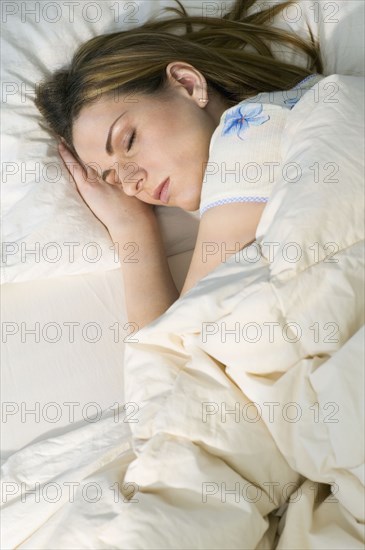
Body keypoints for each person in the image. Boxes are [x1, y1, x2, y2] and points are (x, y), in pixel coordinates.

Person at [35, 0, 323, 330]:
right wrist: (131, 225)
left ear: (188, 84)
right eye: (113, 179)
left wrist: (135, 234)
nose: (130, 184)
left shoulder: (252, 129)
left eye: (128, 140)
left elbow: (177, 348)